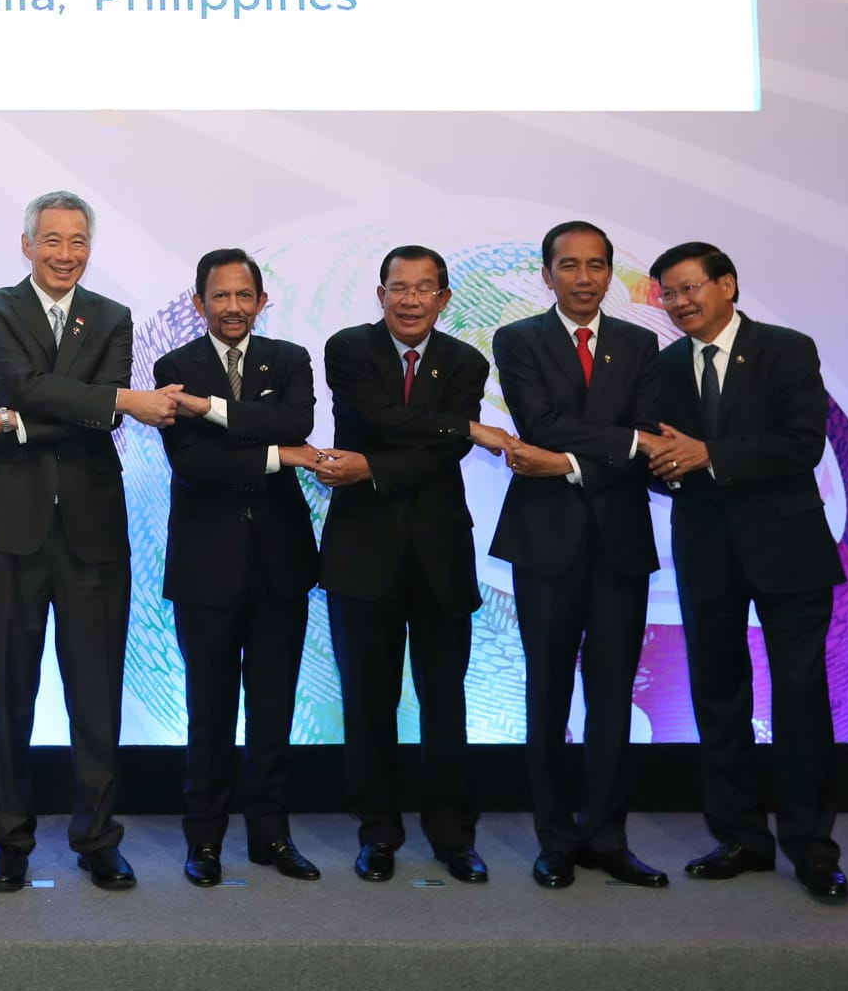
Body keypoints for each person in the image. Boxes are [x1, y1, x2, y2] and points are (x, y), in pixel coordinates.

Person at [0, 190, 170, 892]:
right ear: (27, 245)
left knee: (96, 690)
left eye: (77, 241)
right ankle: (8, 841)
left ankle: (98, 837)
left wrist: (19, 421)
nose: (64, 254)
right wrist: (113, 402)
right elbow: (15, 382)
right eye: (51, 240)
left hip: (92, 528)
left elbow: (88, 415)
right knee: (6, 691)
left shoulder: (111, 316)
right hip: (12, 528)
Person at [642, 242, 848, 903]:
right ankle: (740, 836)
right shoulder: (667, 363)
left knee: (799, 697)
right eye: (667, 295)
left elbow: (801, 444)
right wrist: (664, 464)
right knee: (718, 696)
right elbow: (661, 453)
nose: (678, 304)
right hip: (705, 548)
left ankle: (813, 848)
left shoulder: (787, 349)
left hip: (788, 548)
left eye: (687, 289)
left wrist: (708, 454)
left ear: (726, 284)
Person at [484, 221, 668, 891]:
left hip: (619, 542)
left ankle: (608, 837)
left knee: (612, 695)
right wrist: (624, 446)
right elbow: (541, 423)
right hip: (546, 543)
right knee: (548, 693)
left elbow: (644, 434)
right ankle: (555, 840)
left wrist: (572, 460)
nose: (584, 278)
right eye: (570, 265)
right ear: (547, 273)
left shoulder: (639, 343)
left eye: (596, 266)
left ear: (611, 273)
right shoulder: (518, 339)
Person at [315, 244, 491, 885]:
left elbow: (441, 453)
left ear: (444, 299)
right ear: (381, 293)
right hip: (362, 553)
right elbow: (382, 421)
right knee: (369, 701)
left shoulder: (467, 361)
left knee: (445, 701)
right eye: (398, 287)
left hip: (442, 555)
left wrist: (375, 464)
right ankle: (378, 833)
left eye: (424, 289)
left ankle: (452, 835)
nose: (410, 300)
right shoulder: (349, 348)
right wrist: (459, 430)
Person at [153, 248, 325, 887]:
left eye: (243, 295)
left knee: (275, 707)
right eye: (219, 297)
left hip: (281, 562)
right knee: (209, 708)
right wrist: (283, 456)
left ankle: (272, 837)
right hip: (206, 565)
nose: (232, 307)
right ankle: (203, 841)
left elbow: (297, 420)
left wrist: (216, 413)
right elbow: (194, 465)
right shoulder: (174, 367)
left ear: (261, 300)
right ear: (199, 303)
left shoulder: (291, 360)